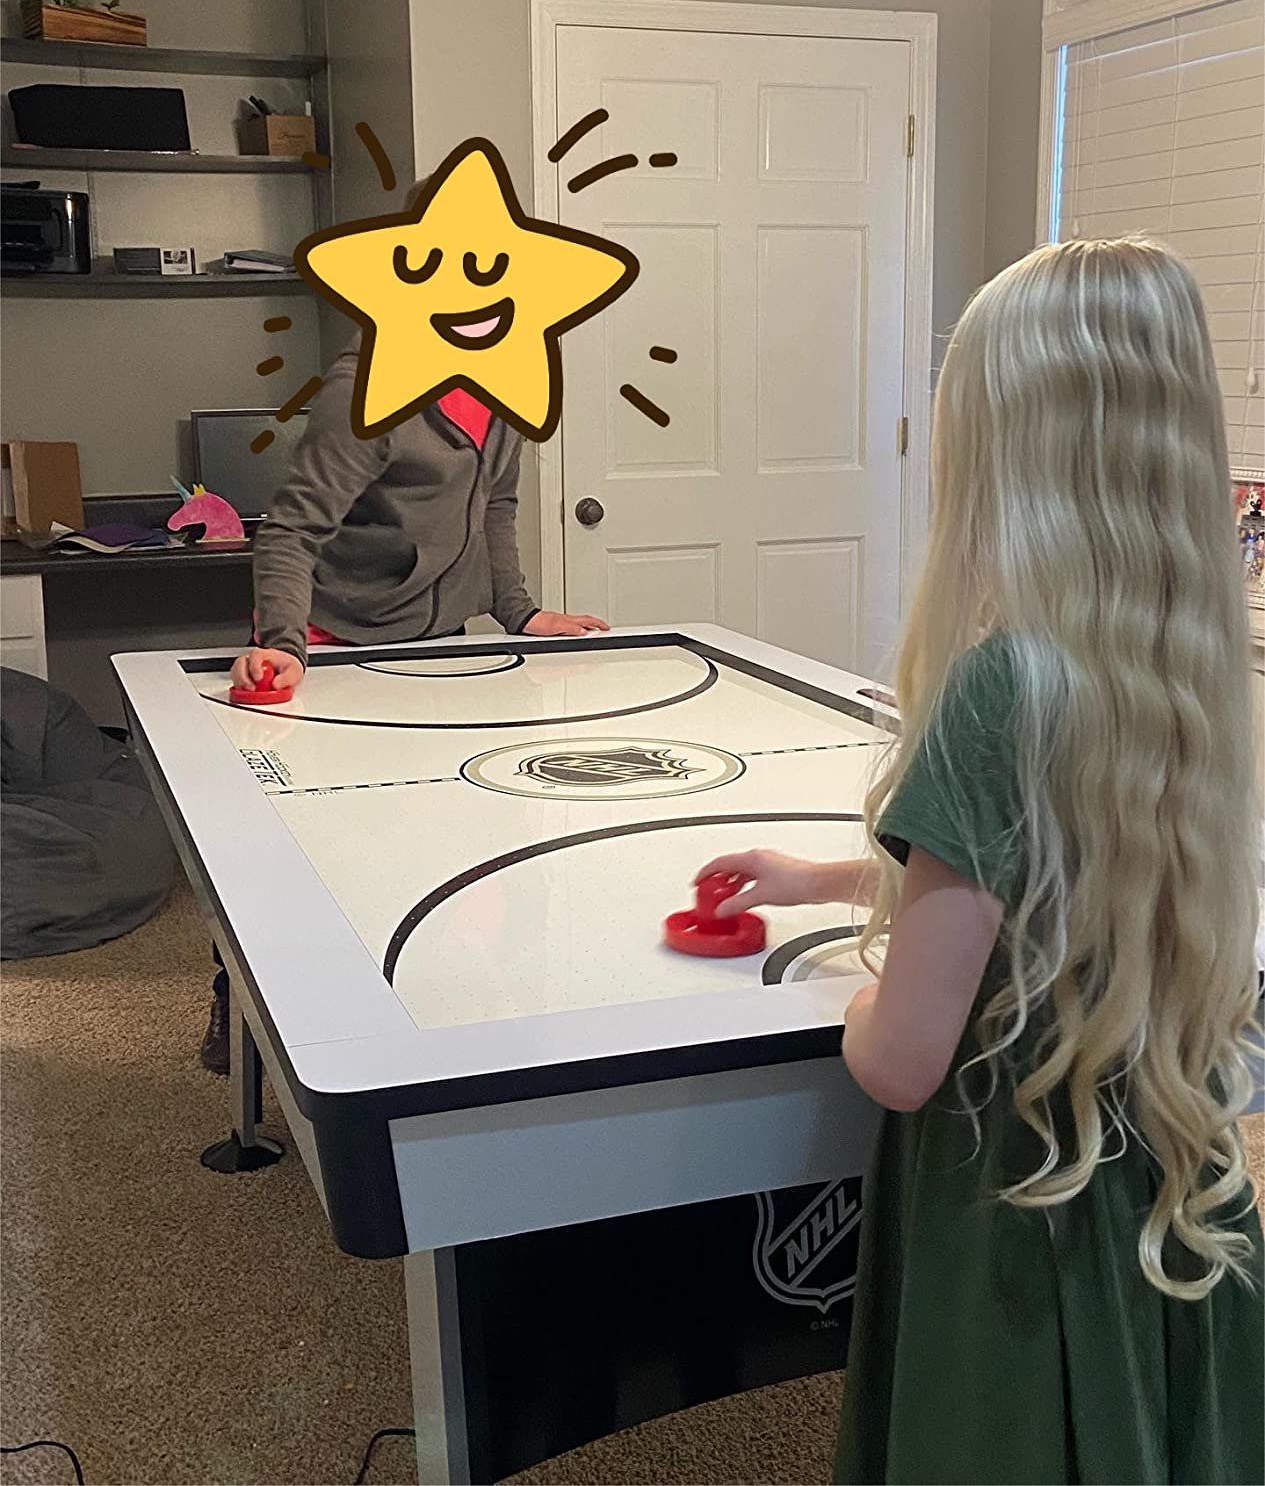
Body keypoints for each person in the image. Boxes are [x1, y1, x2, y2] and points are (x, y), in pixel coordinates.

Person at [698, 239, 1264, 1483]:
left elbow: (903, 1061)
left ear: (1002, 447)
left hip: (1014, 1207)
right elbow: (1053, 889)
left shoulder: (1000, 684)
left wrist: (860, 995)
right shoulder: (1177, 668)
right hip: (1161, 1190)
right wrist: (830, 877)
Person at [203, 180, 608, 1072]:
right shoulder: (364, 394)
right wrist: (283, 643)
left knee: (431, 835)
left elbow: (495, 505)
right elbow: (290, 530)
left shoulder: (508, 381)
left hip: (437, 644)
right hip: (334, 639)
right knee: (304, 851)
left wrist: (519, 610)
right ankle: (240, 1000)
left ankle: (425, 1004)